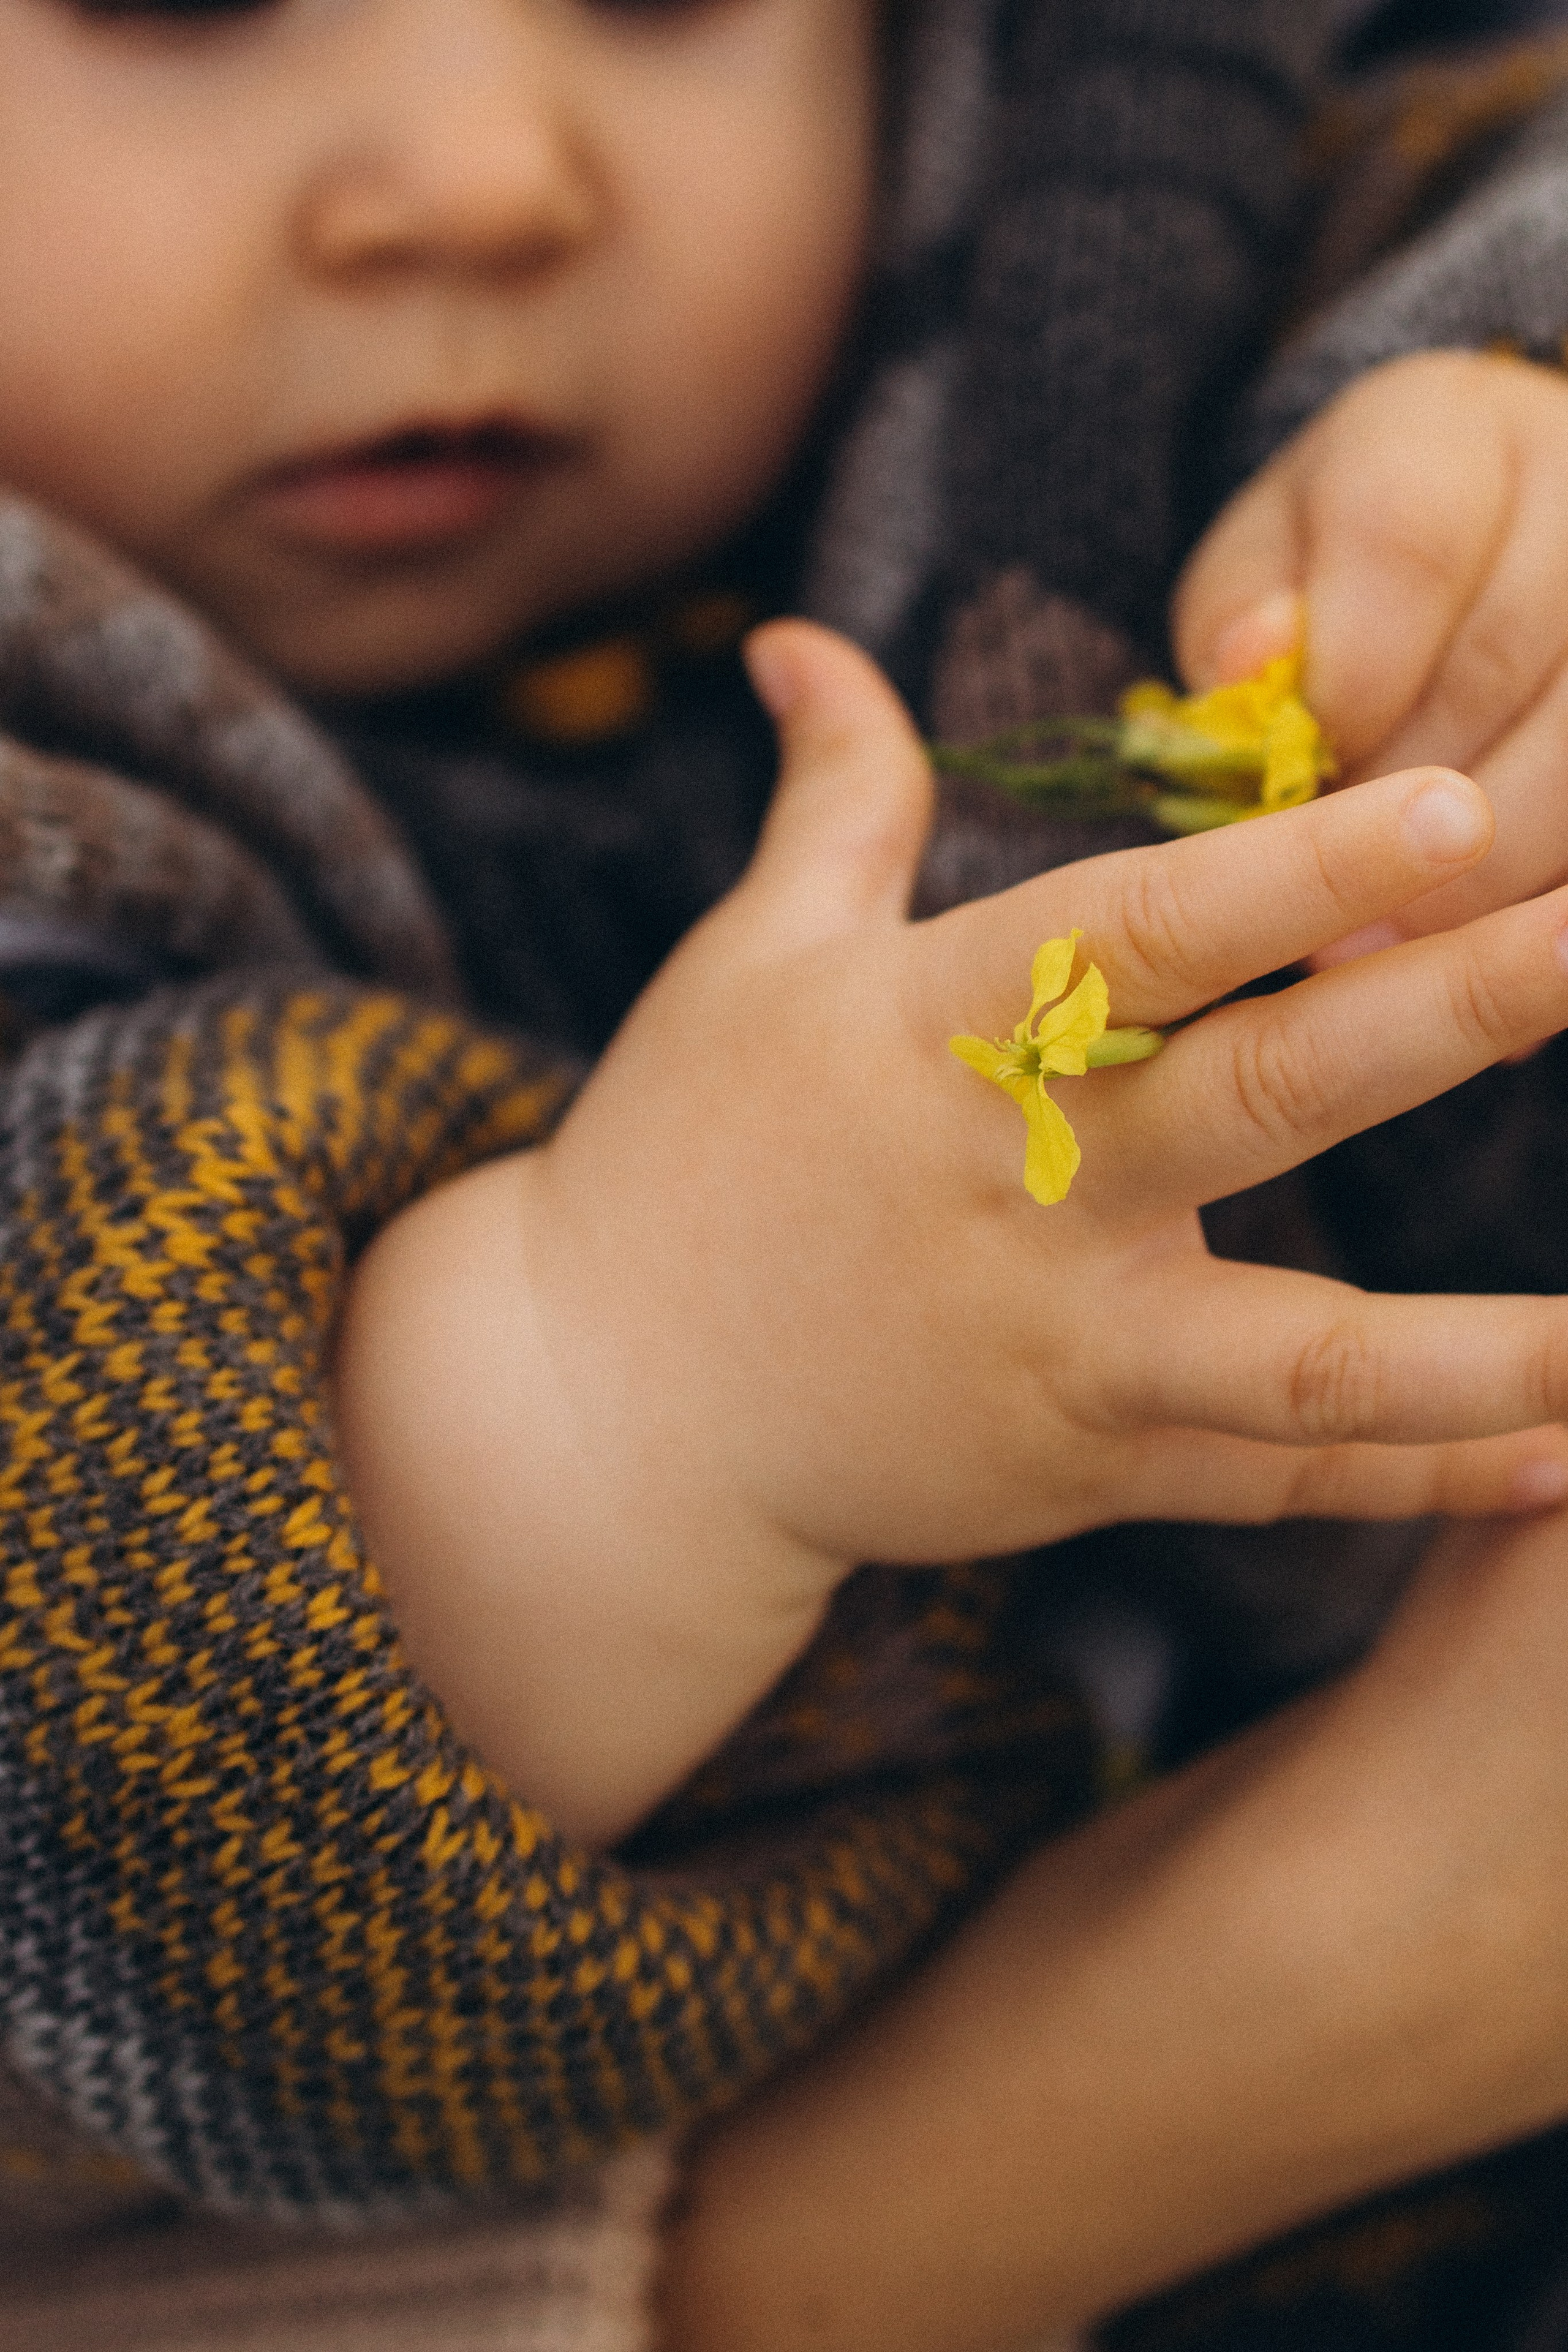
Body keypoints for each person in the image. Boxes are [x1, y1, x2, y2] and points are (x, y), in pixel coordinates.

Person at [7, 3, 1568, 2346]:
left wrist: (1482, 443)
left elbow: (1447, 124)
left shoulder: (1064, 310)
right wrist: (626, 1386)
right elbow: (66, 1917)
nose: (487, 175)